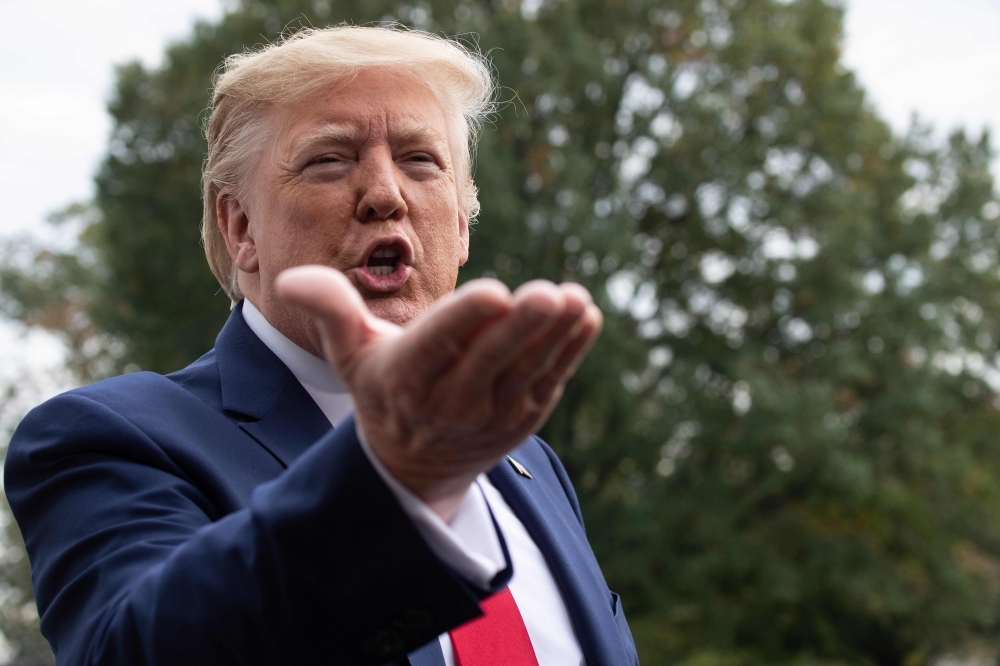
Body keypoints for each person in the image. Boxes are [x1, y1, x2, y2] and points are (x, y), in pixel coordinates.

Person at [5, 26, 638, 666]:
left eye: (420, 160)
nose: (386, 194)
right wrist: (394, 483)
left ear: (461, 224)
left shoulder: (531, 464)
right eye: (329, 159)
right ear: (241, 227)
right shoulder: (113, 437)